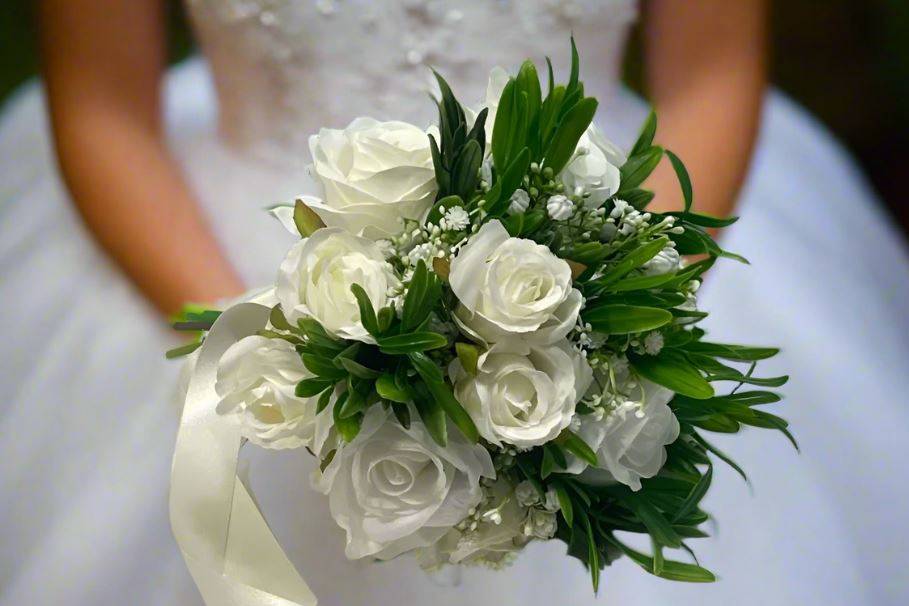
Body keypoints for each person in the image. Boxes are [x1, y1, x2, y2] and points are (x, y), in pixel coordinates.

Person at [1, 1, 906, 604]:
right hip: (226, 242)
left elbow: (710, 70)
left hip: (606, 217)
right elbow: (102, 107)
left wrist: (608, 309)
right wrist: (271, 349)